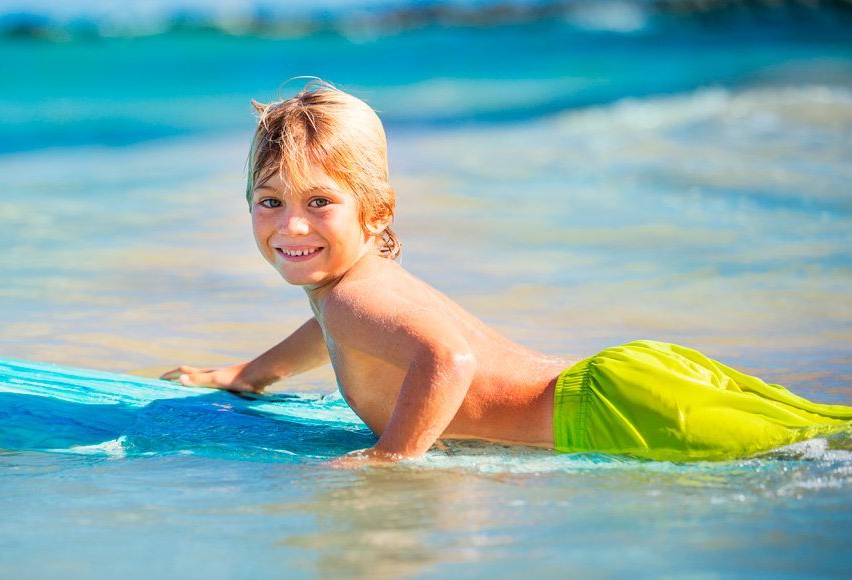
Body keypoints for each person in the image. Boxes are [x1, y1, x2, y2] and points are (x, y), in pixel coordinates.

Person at [161, 79, 852, 467]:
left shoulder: (351, 299)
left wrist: (389, 459)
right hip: (623, 383)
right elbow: (330, 336)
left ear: (375, 215)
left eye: (320, 202)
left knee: (814, 451)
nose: (292, 225)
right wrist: (245, 375)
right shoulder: (345, 295)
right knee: (822, 427)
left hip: (611, 416)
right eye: (269, 201)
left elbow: (448, 357)